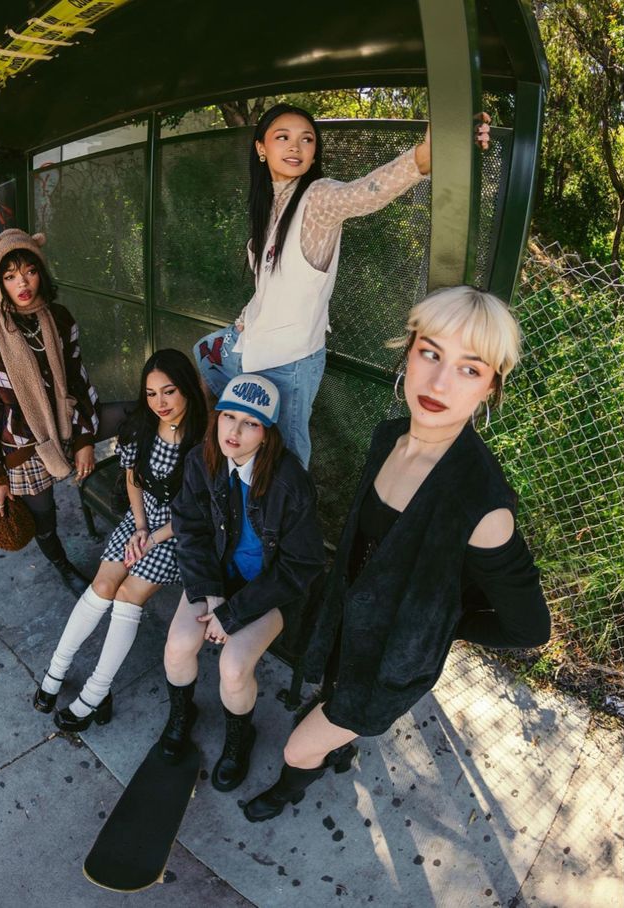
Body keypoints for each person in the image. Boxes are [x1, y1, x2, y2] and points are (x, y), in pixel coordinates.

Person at [242, 286, 551, 822]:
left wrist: (439, 626)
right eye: (430, 353)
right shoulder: (389, 437)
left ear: (491, 389)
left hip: (389, 666)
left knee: (298, 745)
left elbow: (529, 628)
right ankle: (340, 743)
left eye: (469, 369)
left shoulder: (481, 504)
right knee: (330, 702)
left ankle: (291, 786)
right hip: (343, 632)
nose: (438, 383)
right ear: (408, 352)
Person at [194, 104, 491, 468]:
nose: (295, 147)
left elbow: (364, 193)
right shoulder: (269, 202)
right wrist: (246, 318)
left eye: (307, 140)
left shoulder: (317, 198)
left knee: (283, 456)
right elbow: (270, 282)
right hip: (250, 343)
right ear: (261, 148)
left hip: (289, 361)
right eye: (282, 137)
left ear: (315, 151)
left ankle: (283, 518)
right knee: (205, 352)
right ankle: (226, 453)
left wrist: (423, 157)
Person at [160, 373, 325, 791]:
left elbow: (300, 565)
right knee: (179, 644)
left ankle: (239, 739)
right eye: (227, 416)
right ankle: (183, 714)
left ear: (267, 435)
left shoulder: (290, 482)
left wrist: (232, 614)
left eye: (249, 423)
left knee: (234, 667)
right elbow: (191, 529)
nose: (233, 431)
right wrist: (212, 594)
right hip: (216, 576)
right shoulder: (202, 460)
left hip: (269, 591)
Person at [32, 349, 208, 732]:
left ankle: (96, 692)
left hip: (181, 531)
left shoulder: (203, 440)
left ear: (188, 390)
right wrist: (140, 528)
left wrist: (155, 536)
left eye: (169, 391)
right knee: (103, 584)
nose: (159, 402)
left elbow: (197, 509)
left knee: (128, 595)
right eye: (150, 393)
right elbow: (133, 480)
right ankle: (56, 669)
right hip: (142, 518)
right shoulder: (141, 426)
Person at [0, 228, 133, 594]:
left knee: (136, 414)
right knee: (44, 520)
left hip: (68, 423)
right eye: (10, 277)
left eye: (29, 271)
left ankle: (130, 481)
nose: (22, 283)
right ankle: (63, 567)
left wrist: (86, 438)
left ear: (41, 271)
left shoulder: (58, 317)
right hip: (24, 444)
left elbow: (78, 379)